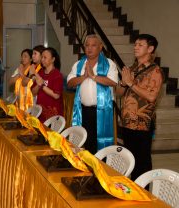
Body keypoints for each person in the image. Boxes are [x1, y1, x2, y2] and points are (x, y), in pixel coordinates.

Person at [116, 34, 163, 181]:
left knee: (142, 162)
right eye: (135, 44)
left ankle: (144, 193)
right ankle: (133, 189)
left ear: (150, 49)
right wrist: (124, 83)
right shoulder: (132, 69)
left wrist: (131, 84)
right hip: (128, 122)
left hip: (142, 124)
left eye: (140, 45)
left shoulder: (155, 71)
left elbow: (151, 97)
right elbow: (119, 93)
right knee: (130, 159)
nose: (135, 47)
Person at [67, 34, 118, 154]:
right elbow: (70, 83)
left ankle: (100, 168)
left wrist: (93, 76)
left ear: (100, 47)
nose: (89, 48)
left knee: (100, 142)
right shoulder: (79, 64)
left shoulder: (109, 64)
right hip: (83, 110)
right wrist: (84, 77)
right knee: (85, 141)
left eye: (93, 45)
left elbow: (113, 82)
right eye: (87, 45)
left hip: (102, 110)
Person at [31, 47, 64, 122]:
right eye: (42, 57)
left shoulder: (57, 75)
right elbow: (33, 92)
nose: (42, 59)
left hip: (53, 115)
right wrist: (38, 85)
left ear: (53, 59)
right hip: (40, 112)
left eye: (45, 57)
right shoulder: (40, 72)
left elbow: (56, 95)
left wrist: (42, 86)